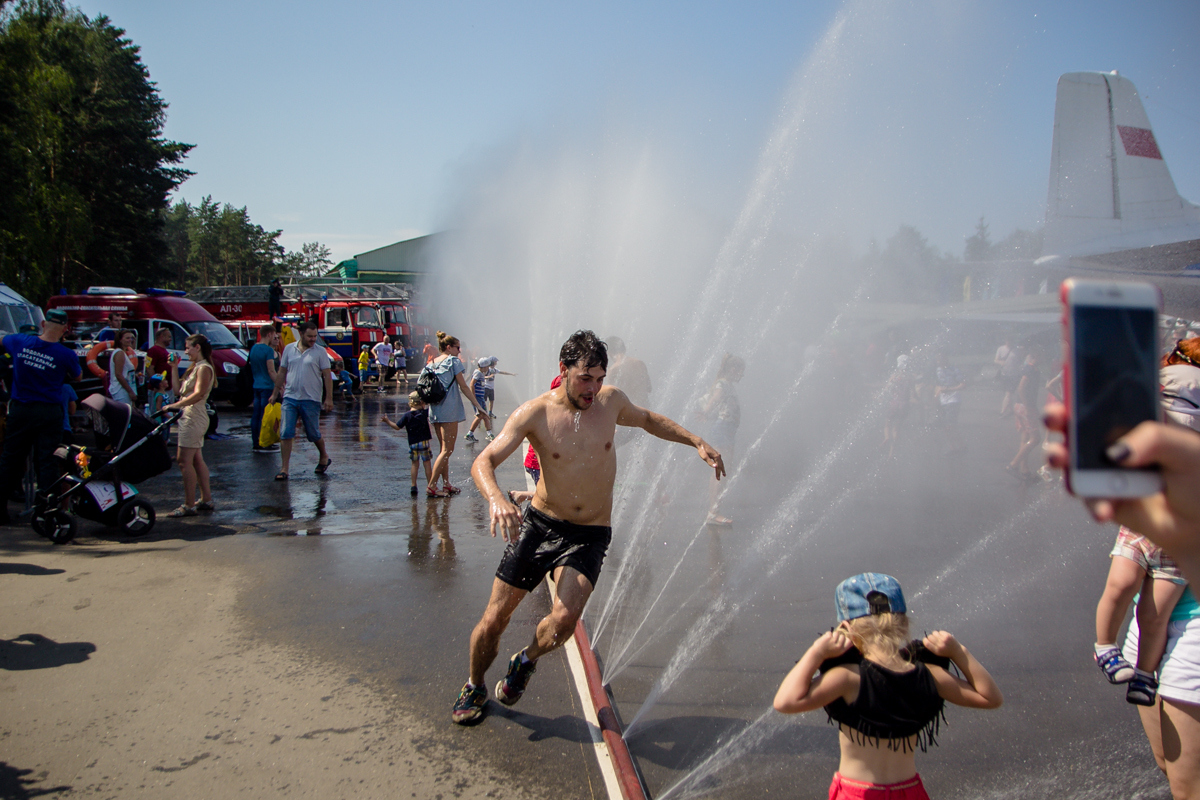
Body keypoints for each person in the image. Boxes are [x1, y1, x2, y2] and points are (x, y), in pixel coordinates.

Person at [451, 330, 724, 724]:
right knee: (494, 619)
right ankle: (474, 683)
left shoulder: (610, 402)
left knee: (563, 621)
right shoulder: (535, 413)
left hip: (590, 534)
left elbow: (649, 421)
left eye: (599, 378)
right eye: (585, 378)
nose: (593, 388)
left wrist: (696, 440)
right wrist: (496, 500)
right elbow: (484, 462)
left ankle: (524, 660)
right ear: (563, 371)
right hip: (541, 525)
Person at [773, 573, 1003, 799]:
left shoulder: (848, 678)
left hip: (858, 793)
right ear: (903, 623)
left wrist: (817, 652)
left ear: (846, 627)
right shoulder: (930, 675)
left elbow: (785, 702)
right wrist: (959, 652)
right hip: (909, 791)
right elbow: (990, 698)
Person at [426, 331, 488, 498]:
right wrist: (478, 406)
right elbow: (464, 386)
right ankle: (432, 486)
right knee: (447, 450)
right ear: (449, 347)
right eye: (457, 347)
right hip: (449, 409)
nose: (460, 351)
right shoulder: (453, 361)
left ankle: (446, 484)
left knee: (442, 450)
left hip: (435, 409)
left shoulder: (432, 362)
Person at [270, 321, 333, 481]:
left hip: (311, 399)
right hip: (290, 397)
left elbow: (327, 376)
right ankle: (284, 468)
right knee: (286, 433)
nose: (313, 339)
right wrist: (275, 392)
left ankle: (324, 456)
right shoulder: (289, 349)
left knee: (313, 434)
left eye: (315, 336)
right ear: (301, 334)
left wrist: (329, 398)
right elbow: (282, 371)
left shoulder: (320, 352)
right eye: (310, 336)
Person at [163, 334, 216, 517]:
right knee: (196, 459)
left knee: (183, 460)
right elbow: (178, 391)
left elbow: (199, 393)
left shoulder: (204, 368)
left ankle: (188, 504)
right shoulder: (195, 368)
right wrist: (173, 368)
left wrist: (176, 406)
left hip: (194, 416)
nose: (186, 351)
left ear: (198, 347)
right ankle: (206, 499)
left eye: (188, 347)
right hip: (190, 415)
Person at [700, 353, 744, 526]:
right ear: (733, 369)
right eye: (741, 371)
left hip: (727, 431)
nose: (742, 375)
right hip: (723, 430)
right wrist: (706, 411)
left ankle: (714, 510)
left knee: (724, 469)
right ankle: (713, 512)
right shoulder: (723, 384)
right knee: (720, 469)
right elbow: (715, 398)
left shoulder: (728, 385)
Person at [382, 392, 434, 497]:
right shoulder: (425, 413)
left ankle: (413, 485)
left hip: (413, 443)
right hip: (424, 441)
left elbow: (397, 427)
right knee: (427, 463)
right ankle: (430, 485)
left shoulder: (407, 415)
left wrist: (387, 421)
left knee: (415, 464)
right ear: (422, 402)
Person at [1006, 350, 1043, 481]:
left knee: (1025, 436)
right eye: (1042, 354)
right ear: (1036, 356)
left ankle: (1024, 470)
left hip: (1019, 406)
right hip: (1025, 407)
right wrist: (1028, 407)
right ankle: (1013, 465)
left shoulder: (1027, 368)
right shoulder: (1030, 370)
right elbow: (1021, 388)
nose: (1044, 357)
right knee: (1035, 439)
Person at [249, 325, 280, 453]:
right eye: (274, 335)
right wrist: (280, 384)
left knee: (256, 415)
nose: (274, 337)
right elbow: (271, 371)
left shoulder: (254, 348)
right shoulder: (268, 351)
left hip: (256, 385)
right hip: (267, 386)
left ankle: (256, 441)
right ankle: (264, 441)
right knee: (266, 416)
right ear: (269, 334)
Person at [933, 352, 965, 454]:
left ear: (945, 359)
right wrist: (935, 398)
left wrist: (949, 389)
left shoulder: (954, 370)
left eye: (940, 359)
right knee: (944, 426)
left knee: (950, 425)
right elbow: (937, 386)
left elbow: (963, 385)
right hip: (943, 401)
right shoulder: (937, 371)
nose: (938, 362)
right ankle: (954, 447)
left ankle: (960, 446)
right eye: (937, 360)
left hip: (953, 400)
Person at [605, 336, 651, 407]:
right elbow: (649, 388)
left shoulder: (612, 370)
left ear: (609, 353)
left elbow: (611, 397)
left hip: (627, 412)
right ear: (624, 348)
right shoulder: (640, 363)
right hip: (646, 409)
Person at [464, 358, 494, 443]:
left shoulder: (479, 373)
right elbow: (472, 384)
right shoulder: (478, 373)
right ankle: (470, 434)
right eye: (488, 366)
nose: (488, 368)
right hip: (477, 398)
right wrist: (473, 398)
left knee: (485, 415)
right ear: (484, 367)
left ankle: (489, 434)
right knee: (480, 415)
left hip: (480, 398)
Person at [107, 329, 138, 406]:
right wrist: (130, 391)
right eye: (127, 338)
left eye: (131, 338)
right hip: (121, 391)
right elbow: (118, 375)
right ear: (120, 340)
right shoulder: (119, 353)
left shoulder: (123, 352)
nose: (130, 340)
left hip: (124, 390)